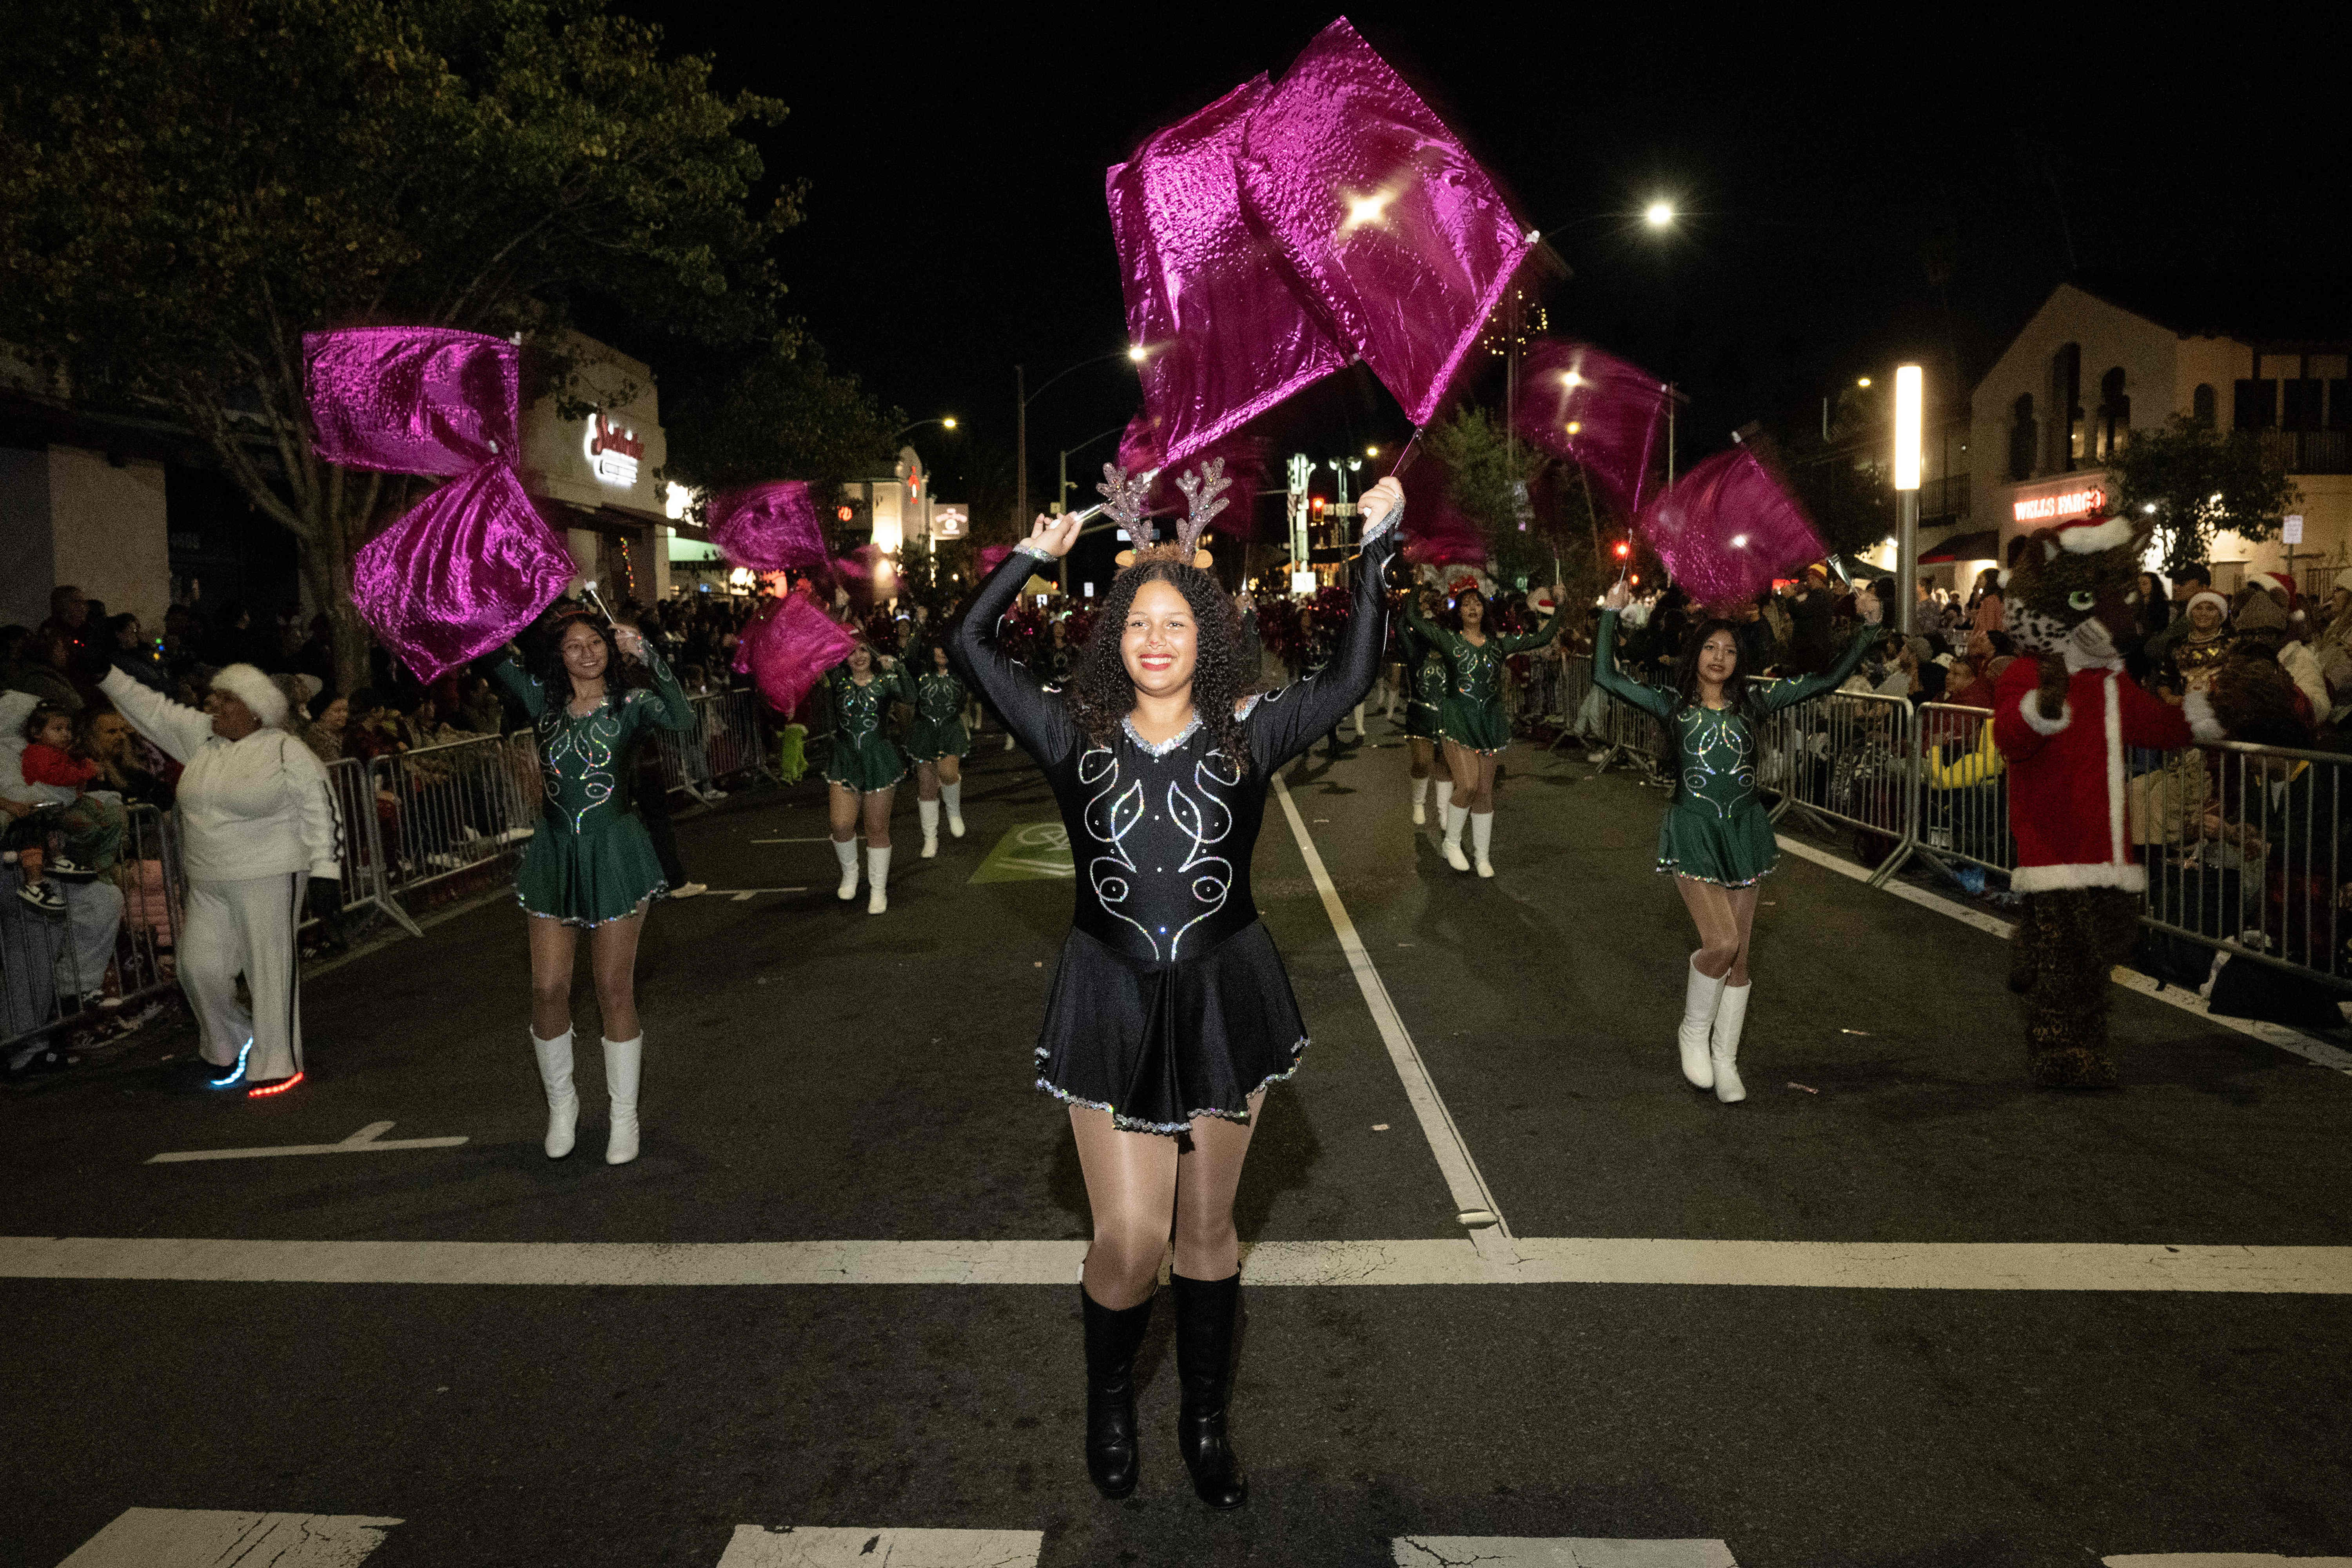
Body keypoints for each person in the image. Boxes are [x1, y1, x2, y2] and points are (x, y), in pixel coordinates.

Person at [947, 467, 1404, 1512]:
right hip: (1108, 999)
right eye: (1137, 623)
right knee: (1133, 1241)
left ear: (1208, 636)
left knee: (1207, 1231)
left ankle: (1204, 1420)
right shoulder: (1070, 733)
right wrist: (1030, 555)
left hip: (1222, 995)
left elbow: (1350, 679)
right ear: (1115, 641)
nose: (1156, 638)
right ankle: (1111, 1401)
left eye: (1176, 622)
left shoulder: (1252, 732)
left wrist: (1376, 552)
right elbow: (968, 646)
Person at [1592, 582, 1876, 1103]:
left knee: (1740, 959)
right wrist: (1609, 614)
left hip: (1745, 832)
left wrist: (1871, 629)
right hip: (1695, 831)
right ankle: (1692, 1035)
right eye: (1710, 648)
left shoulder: (1756, 704)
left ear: (1740, 659)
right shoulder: (1672, 707)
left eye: (1729, 650)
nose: (1719, 657)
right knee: (1720, 944)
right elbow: (1605, 675)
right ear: (1694, 654)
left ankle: (1726, 1059)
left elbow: (1830, 678)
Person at [489, 610, 693, 1163]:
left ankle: (623, 1116)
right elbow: (488, 656)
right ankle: (563, 1107)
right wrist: (488, 608)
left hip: (615, 851)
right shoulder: (543, 706)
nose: (585, 652)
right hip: (555, 855)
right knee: (548, 989)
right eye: (573, 645)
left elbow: (681, 719)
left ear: (610, 647)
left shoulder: (632, 707)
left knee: (613, 988)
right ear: (558, 657)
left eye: (595, 642)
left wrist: (649, 654)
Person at [98, 659, 342, 1094]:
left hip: (270, 873)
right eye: (215, 697)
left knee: (270, 971)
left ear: (255, 709)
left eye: (227, 698)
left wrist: (327, 871)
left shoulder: (286, 750)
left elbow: (321, 809)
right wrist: (107, 675)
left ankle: (278, 1061)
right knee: (198, 968)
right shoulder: (201, 739)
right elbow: (152, 709)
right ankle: (232, 1041)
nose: (215, 704)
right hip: (208, 879)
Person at [1402, 580, 1565, 877]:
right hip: (1457, 720)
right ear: (1459, 612)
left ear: (1484, 610)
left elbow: (1544, 637)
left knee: (1484, 793)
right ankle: (1451, 843)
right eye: (1466, 604)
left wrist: (1561, 605)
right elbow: (1412, 619)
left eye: (1477, 602)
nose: (1473, 607)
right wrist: (1417, 586)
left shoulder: (1498, 644)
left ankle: (1483, 857)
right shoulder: (1449, 641)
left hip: (1490, 723)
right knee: (1466, 785)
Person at [822, 640, 913, 913]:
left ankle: (878, 890)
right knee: (841, 825)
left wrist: (897, 667)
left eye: (863, 650)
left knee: (876, 829)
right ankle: (850, 874)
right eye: (851, 651)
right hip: (845, 760)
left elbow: (909, 696)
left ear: (872, 654)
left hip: (878, 760)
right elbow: (820, 651)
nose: (858, 656)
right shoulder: (838, 681)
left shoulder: (886, 682)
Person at [906, 642, 970, 858]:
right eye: (937, 648)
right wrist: (918, 626)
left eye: (946, 647)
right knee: (927, 787)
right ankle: (931, 838)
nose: (941, 652)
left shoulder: (961, 673)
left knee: (949, 774)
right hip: (924, 732)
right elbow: (909, 657)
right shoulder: (921, 673)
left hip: (950, 729)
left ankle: (953, 810)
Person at [1399, 587, 1449, 829]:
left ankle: (1444, 813)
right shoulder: (1414, 652)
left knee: (1445, 765)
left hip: (1448, 715)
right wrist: (1417, 589)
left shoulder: (1452, 651)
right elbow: (1402, 623)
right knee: (1422, 761)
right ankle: (1418, 802)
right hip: (1420, 715)